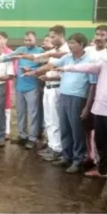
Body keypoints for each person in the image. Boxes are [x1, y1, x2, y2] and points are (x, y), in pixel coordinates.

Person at [57, 37, 107, 189]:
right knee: (100, 143)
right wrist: (66, 68)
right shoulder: (104, 65)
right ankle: (102, 170)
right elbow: (86, 67)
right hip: (98, 110)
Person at [24, 33, 96, 173]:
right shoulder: (67, 58)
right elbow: (51, 64)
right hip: (63, 96)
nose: (70, 45)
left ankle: (77, 160)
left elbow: (93, 85)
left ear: (81, 44)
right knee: (65, 128)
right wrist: (35, 71)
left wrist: (87, 107)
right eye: (69, 42)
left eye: (73, 43)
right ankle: (66, 156)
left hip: (78, 99)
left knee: (77, 131)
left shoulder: (90, 61)